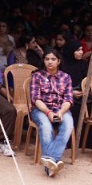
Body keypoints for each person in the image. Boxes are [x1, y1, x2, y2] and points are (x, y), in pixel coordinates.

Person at [31, 48, 75, 177]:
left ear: (59, 61)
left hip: (61, 109)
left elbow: (68, 99)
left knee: (68, 126)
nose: (50, 62)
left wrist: (61, 112)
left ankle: (50, 160)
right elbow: (36, 99)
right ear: (43, 61)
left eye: (53, 59)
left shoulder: (66, 77)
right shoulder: (37, 76)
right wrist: (49, 112)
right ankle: (53, 162)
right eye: (47, 59)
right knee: (45, 126)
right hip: (41, 109)